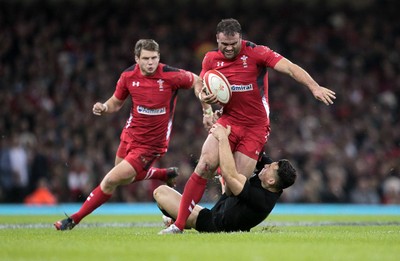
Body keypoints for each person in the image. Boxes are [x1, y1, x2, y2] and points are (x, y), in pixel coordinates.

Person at [159, 18, 336, 234]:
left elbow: (289, 67)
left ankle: (226, 219)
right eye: (225, 44)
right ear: (218, 39)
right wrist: (205, 106)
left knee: (235, 186)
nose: (229, 48)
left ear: (240, 38)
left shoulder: (257, 52)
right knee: (205, 165)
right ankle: (178, 225)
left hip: (256, 127)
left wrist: (313, 86)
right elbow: (203, 88)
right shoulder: (210, 59)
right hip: (229, 119)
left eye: (234, 43)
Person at [54, 39, 200, 230]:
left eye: (154, 58)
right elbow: (116, 101)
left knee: (110, 180)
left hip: (151, 145)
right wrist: (104, 107)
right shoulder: (128, 76)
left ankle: (74, 219)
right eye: (146, 58)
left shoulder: (170, 75)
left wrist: (205, 107)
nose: (151, 62)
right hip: (130, 136)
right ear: (137, 58)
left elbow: (197, 80)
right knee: (126, 178)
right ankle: (163, 173)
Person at [156, 124, 296, 233]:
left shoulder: (262, 199)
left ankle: (180, 221)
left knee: (160, 192)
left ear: (271, 181)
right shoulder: (272, 181)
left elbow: (230, 175)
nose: (265, 166)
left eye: (269, 167)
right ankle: (177, 219)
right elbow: (255, 151)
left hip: (215, 225)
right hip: (215, 212)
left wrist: (223, 138)